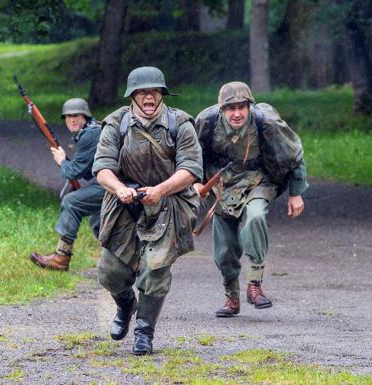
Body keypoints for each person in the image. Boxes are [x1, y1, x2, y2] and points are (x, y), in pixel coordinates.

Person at [93, 66, 202, 355]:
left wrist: (160, 191)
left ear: (162, 94)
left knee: (156, 271)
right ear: (133, 96)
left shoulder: (181, 123)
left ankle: (144, 331)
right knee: (110, 272)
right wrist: (119, 189)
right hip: (125, 203)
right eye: (143, 92)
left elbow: (191, 170)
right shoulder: (116, 123)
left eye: (154, 91)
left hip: (169, 202)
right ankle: (126, 305)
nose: (149, 97)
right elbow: (102, 168)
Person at [194, 81, 308, 318]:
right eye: (230, 108)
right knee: (224, 247)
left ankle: (254, 284)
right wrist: (195, 181)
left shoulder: (266, 122)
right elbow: (189, 153)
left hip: (258, 180)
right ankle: (231, 297)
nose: (237, 113)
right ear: (221, 109)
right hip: (221, 185)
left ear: (249, 106)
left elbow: (293, 155)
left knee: (255, 217)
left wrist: (295, 193)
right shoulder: (207, 122)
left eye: (242, 107)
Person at [30, 98, 105, 271]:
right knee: (97, 218)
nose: (72, 120)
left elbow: (73, 172)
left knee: (71, 202)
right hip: (117, 182)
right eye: (68, 116)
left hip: (117, 184)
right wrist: (66, 163)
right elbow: (86, 171)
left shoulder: (90, 134)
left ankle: (61, 258)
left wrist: (62, 161)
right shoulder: (92, 130)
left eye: (76, 115)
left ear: (85, 116)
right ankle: (125, 259)